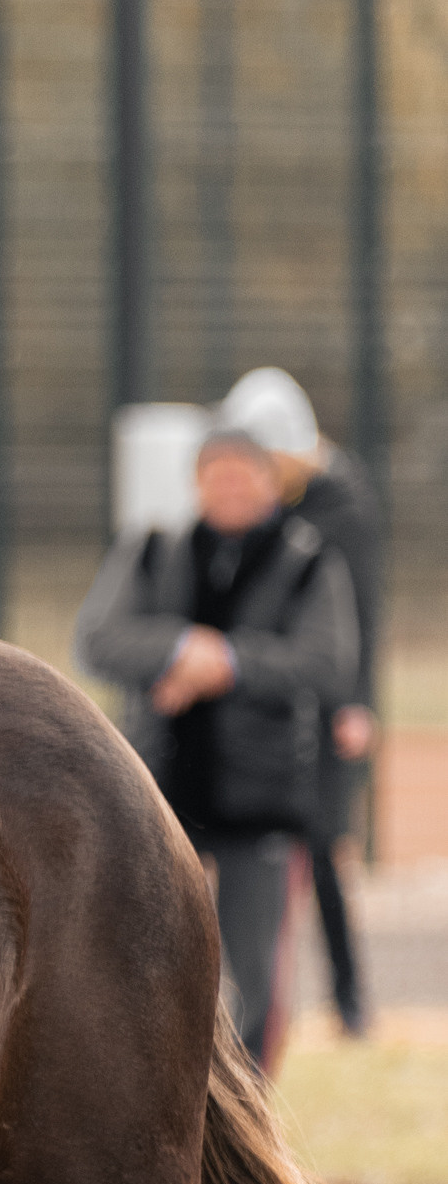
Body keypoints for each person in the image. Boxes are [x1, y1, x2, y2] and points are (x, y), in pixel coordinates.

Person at [75, 426, 358, 1073]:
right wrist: (181, 649)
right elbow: (98, 638)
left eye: (243, 475)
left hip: (261, 794)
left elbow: (325, 662)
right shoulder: (152, 551)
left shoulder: (309, 562)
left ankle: (247, 1104)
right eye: (216, 476)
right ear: (196, 484)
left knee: (253, 974)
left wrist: (227, 664)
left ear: (270, 482)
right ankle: (158, 1091)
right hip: (159, 788)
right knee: (145, 955)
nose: (230, 489)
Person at [220, 367, 382, 1036]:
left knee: (319, 848)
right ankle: (244, 1004)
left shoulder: (341, 508)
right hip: (258, 706)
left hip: (319, 704)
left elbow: (359, 614)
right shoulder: (248, 506)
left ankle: (348, 1001)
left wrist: (355, 703)